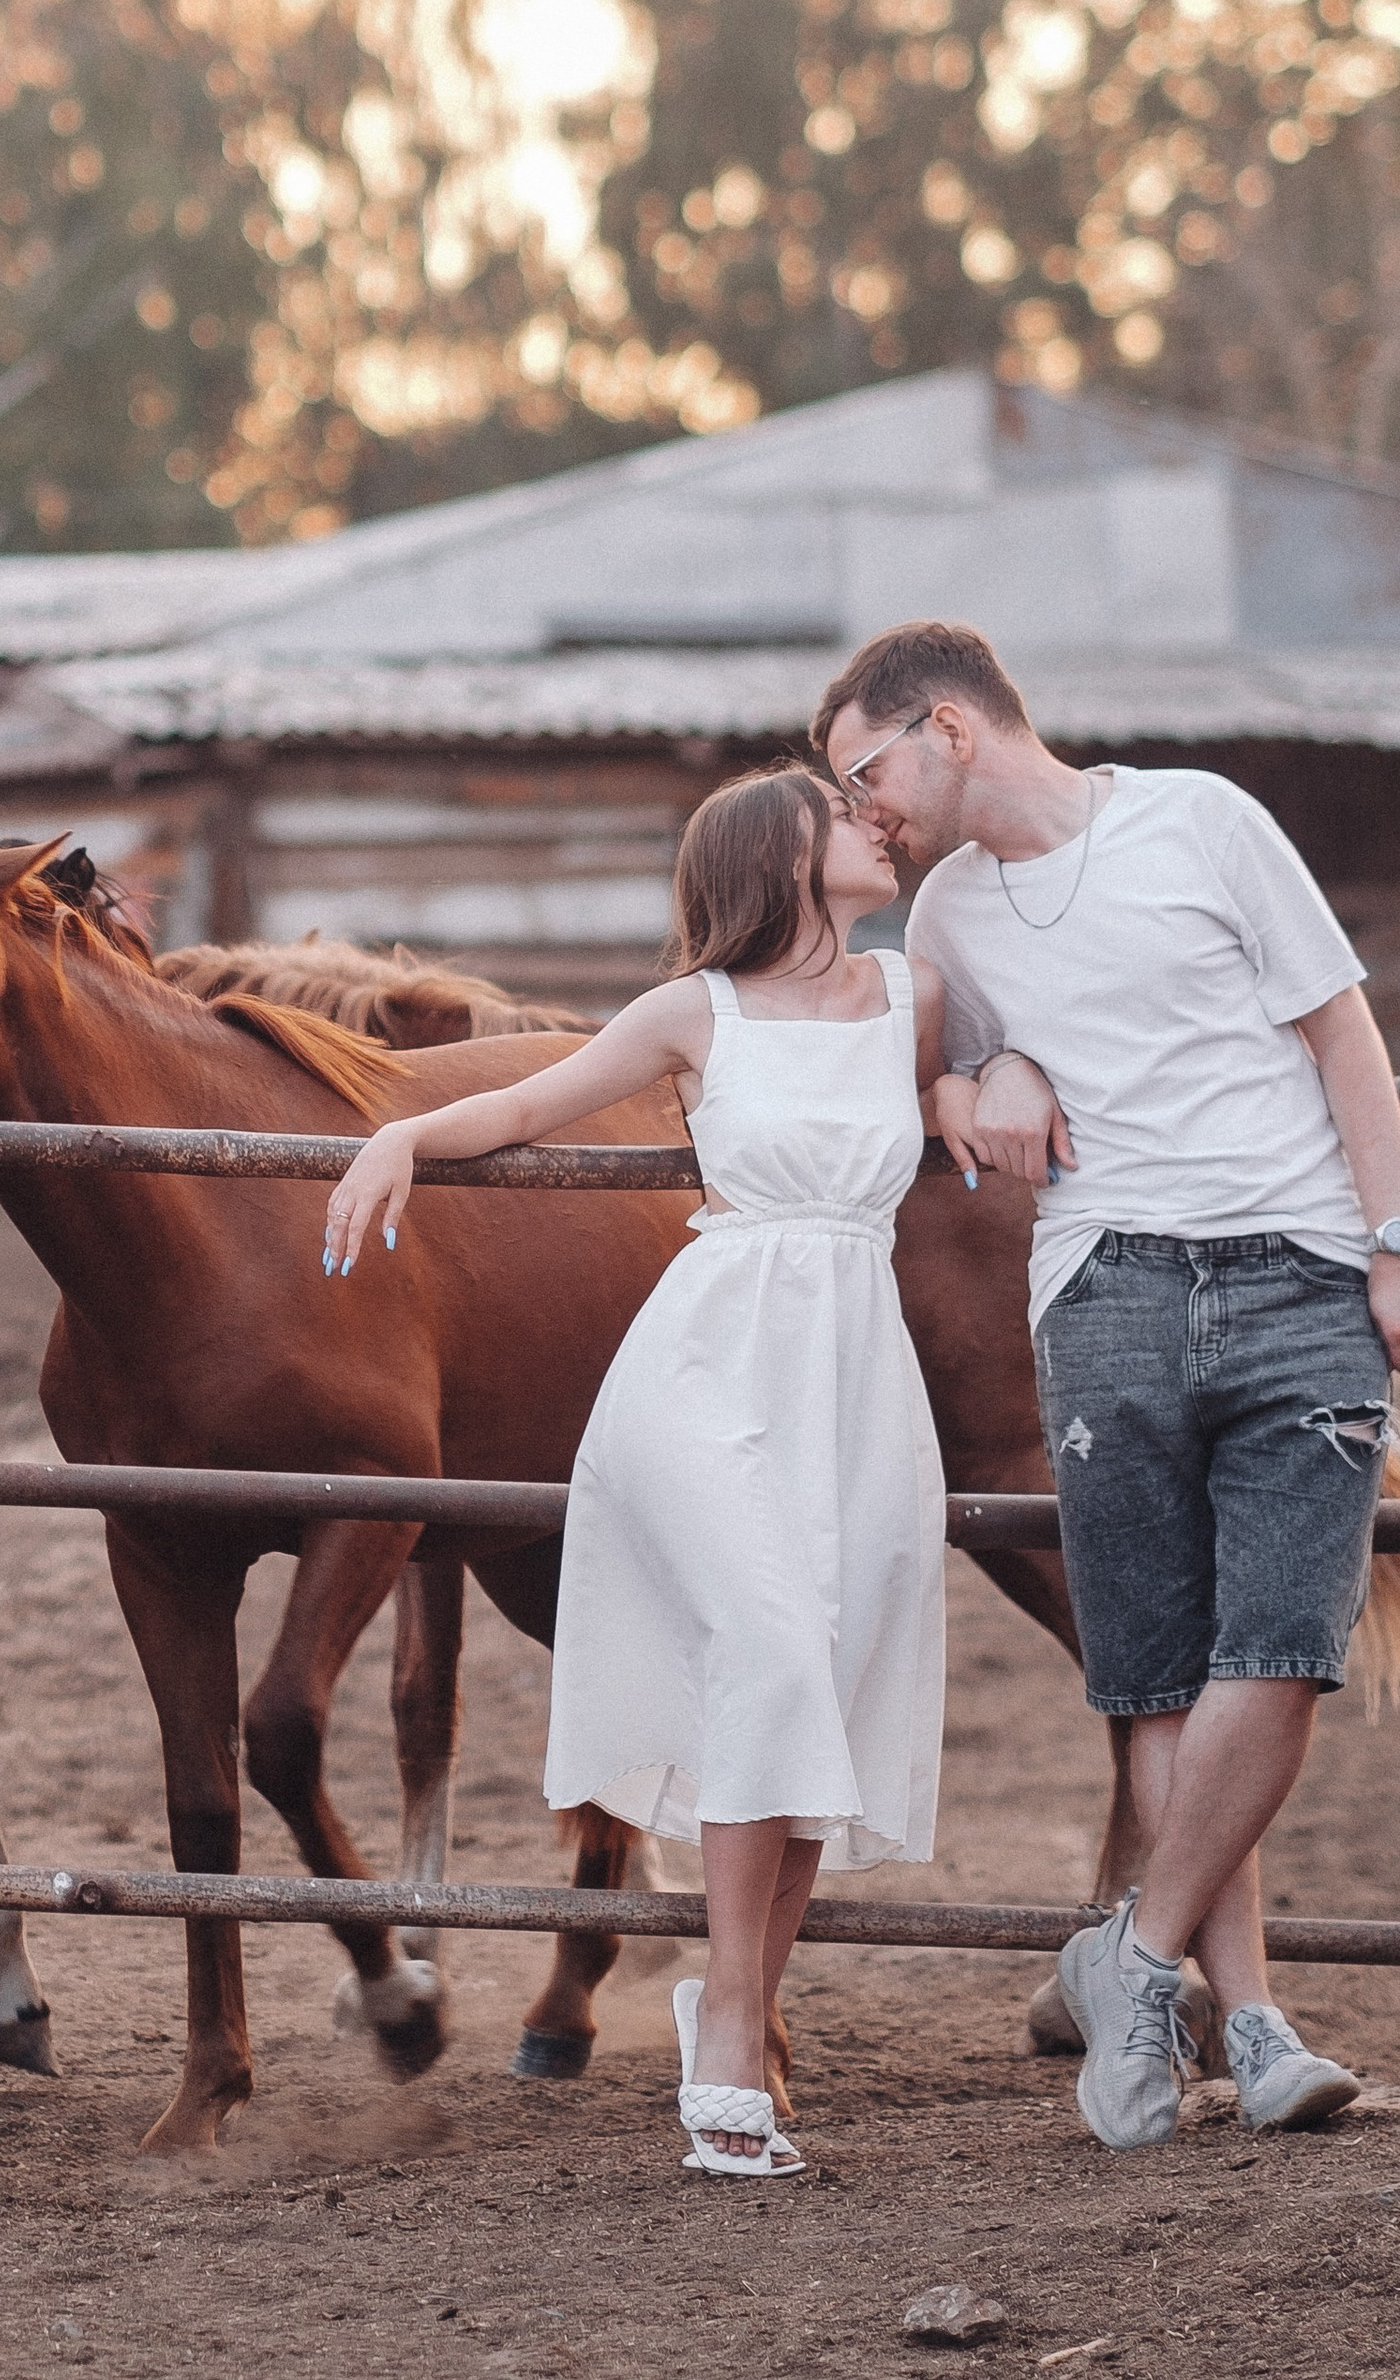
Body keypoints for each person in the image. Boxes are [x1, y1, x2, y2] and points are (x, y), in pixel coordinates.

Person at [816, 619, 1400, 2149]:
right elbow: (907, 1070)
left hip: (1303, 1275)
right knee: (1158, 1678)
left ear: (952, 727)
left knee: (1288, 1650)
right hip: (1106, 1296)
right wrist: (990, 1077)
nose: (861, 813)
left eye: (865, 771)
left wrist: (1397, 1244)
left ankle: (1133, 1958)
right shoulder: (952, 918)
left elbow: (1341, 1031)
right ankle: (1247, 2024)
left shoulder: (1203, 819)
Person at [324, 764, 980, 2179]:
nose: (869, 818)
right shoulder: (698, 1013)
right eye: (836, 808)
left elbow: (995, 1063)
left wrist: (1007, 1078)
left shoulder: (912, 996)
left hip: (857, 1386)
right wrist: (398, 1135)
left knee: (826, 1684)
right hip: (706, 1367)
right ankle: (733, 2036)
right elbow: (521, 1109)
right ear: (779, 856)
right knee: (768, 1647)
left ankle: (733, 2004)